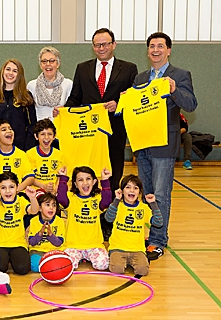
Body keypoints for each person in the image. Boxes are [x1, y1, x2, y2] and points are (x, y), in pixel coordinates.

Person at [134, 32, 197, 260]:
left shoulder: (180, 75)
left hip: (165, 145)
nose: (155, 50)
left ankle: (159, 240)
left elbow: (190, 104)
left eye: (160, 46)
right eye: (152, 46)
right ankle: (149, 235)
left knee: (161, 194)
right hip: (143, 145)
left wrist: (173, 90)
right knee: (146, 193)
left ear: (168, 50)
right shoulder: (140, 78)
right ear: (147, 50)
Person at [63, 28, 138, 202]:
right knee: (88, 172)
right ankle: (87, 210)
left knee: (113, 171)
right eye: (97, 45)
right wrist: (64, 111)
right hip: (88, 133)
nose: (101, 48)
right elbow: (75, 97)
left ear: (114, 44)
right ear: (93, 47)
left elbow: (133, 99)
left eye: (105, 44)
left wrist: (119, 105)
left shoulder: (128, 68)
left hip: (115, 130)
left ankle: (108, 213)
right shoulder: (82, 68)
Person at [0, 172, 39, 275]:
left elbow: (34, 210)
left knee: (23, 269)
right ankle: (7, 259)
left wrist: (33, 198)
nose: (7, 191)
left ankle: (13, 258)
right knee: (0, 268)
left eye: (11, 187)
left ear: (17, 188)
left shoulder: (21, 200)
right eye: (3, 188)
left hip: (18, 243)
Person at [104, 174, 163, 275]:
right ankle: (121, 261)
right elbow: (108, 218)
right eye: (128, 187)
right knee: (117, 269)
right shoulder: (117, 205)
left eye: (135, 188)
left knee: (143, 271)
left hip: (137, 249)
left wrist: (153, 204)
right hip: (118, 248)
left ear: (139, 192)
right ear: (122, 191)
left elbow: (158, 223)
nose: (131, 190)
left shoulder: (143, 208)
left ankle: (134, 261)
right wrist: (116, 200)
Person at [56, 166, 112, 270]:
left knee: (103, 264)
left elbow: (107, 201)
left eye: (88, 179)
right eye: (80, 180)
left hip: (94, 245)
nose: (85, 183)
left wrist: (105, 180)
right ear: (75, 184)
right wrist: (63, 178)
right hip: (74, 245)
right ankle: (80, 258)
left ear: (94, 181)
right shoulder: (71, 198)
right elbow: (61, 198)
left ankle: (88, 257)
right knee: (66, 265)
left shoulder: (97, 198)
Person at [0, 58, 37, 151]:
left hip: (21, 149)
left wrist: (28, 148)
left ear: (19, 75)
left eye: (15, 71)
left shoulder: (26, 96)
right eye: (8, 69)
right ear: (2, 71)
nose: (10, 73)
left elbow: (32, 125)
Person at [27, 46, 73, 121]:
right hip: (39, 129)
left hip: (61, 128)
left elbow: (73, 109)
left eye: (52, 61)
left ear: (58, 64)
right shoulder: (31, 85)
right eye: (44, 61)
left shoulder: (68, 84)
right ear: (40, 65)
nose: (48, 64)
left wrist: (64, 109)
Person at [28, 192, 65, 272]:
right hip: (37, 251)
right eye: (47, 205)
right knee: (35, 265)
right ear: (40, 208)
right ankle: (51, 268)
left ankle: (50, 267)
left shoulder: (59, 221)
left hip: (54, 251)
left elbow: (59, 243)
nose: (51, 208)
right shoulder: (33, 221)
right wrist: (40, 233)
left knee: (62, 264)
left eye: (54, 205)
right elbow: (31, 242)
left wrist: (50, 235)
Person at [26, 119, 65, 194]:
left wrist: (55, 190)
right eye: (42, 134)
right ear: (36, 136)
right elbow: (29, 177)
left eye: (50, 134)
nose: (46, 137)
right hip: (37, 190)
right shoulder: (29, 154)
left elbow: (60, 177)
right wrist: (43, 186)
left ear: (54, 136)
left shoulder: (59, 155)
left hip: (54, 190)